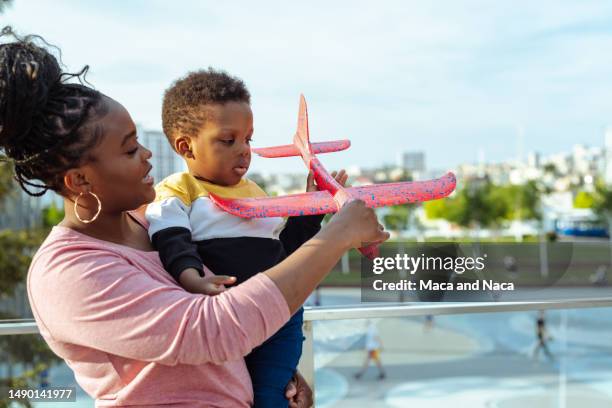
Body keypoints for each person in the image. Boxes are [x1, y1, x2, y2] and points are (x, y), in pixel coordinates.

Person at [0, 27, 389, 407]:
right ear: (80, 179)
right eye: (130, 149)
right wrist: (336, 236)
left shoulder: (148, 222)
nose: (149, 155)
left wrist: (271, 374)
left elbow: (233, 311)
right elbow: (211, 330)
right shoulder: (68, 272)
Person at [146, 69, 348, 407]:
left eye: (248, 139)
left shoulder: (256, 193)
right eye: (229, 140)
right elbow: (170, 238)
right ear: (186, 146)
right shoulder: (177, 191)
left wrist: (312, 210)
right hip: (227, 318)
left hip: (279, 316)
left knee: (271, 395)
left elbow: (282, 251)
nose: (244, 151)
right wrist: (191, 277)